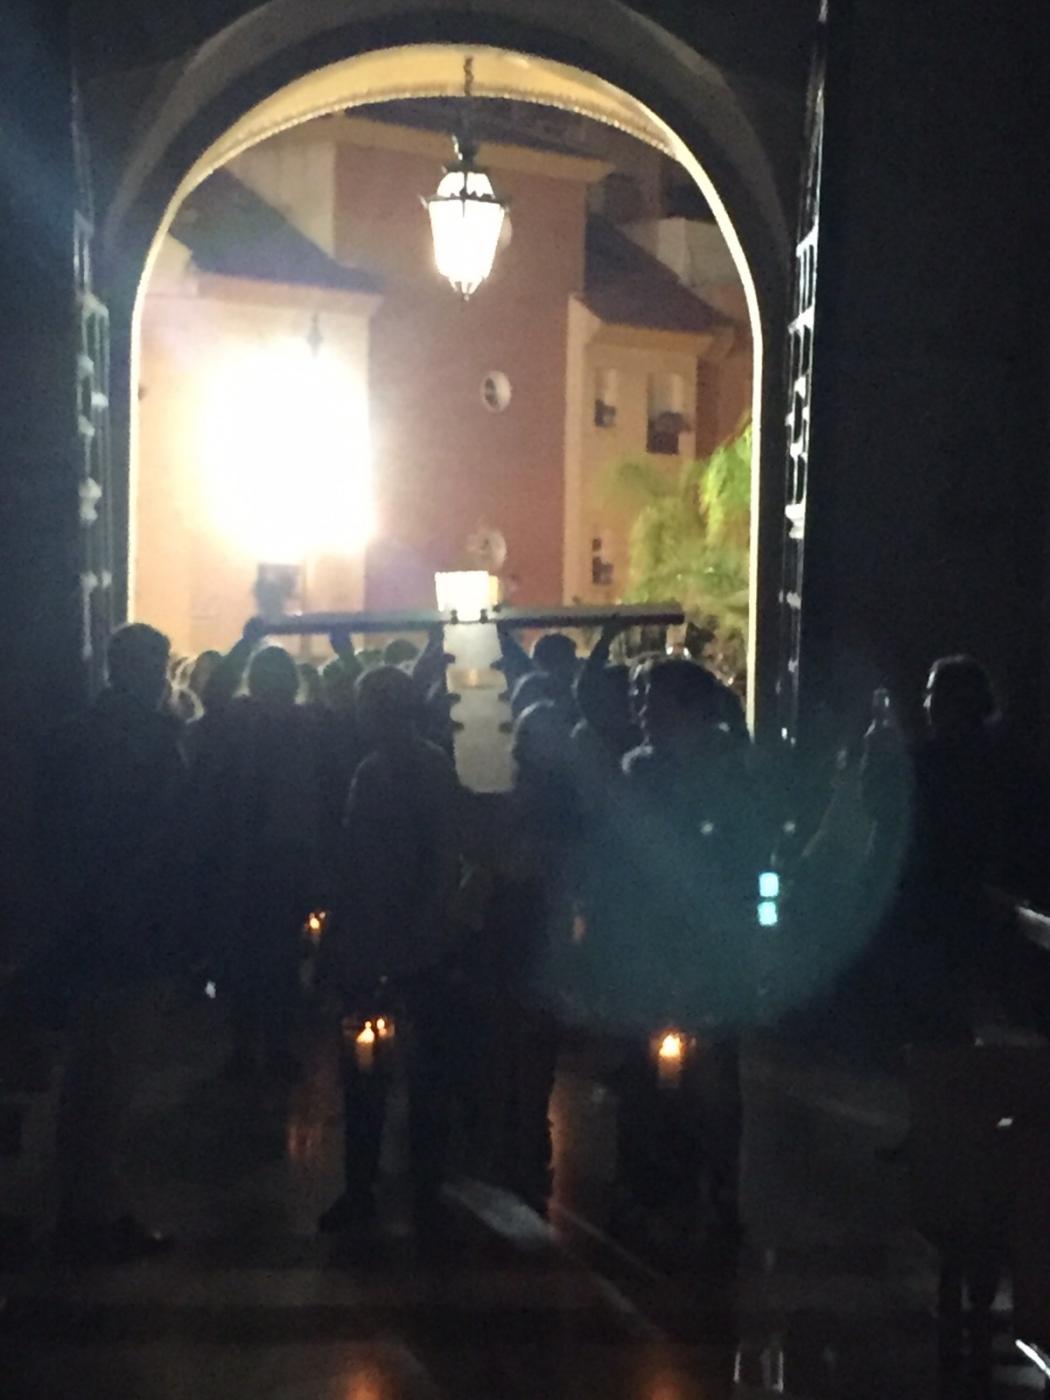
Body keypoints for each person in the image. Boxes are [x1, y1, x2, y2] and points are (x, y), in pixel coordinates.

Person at [39, 623, 186, 1264]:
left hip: (79, 924)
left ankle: (80, 1201)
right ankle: (93, 1211)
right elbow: (169, 840)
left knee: (84, 1078)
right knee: (112, 1079)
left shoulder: (69, 737)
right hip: (135, 927)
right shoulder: (154, 741)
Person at [613, 657, 762, 1239]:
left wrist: (761, 928)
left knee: (717, 1073)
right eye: (640, 701)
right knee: (645, 1072)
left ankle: (718, 1187)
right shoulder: (636, 771)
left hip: (710, 945)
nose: (643, 712)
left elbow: (754, 863)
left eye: (655, 701)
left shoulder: (729, 775)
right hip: (653, 944)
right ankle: (649, 1184)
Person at [320, 665, 464, 1236]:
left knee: (369, 1071)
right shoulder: (425, 766)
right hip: (407, 941)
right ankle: (419, 1188)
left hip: (385, 939)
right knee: (418, 1075)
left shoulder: (382, 771)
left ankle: (367, 1188)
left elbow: (374, 860)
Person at [461, 700, 582, 1207]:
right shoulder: (566, 806)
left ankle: (511, 1140)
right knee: (530, 1043)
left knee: (506, 1042)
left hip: (512, 929)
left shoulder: (508, 801)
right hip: (534, 931)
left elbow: (492, 865)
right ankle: (526, 1137)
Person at [190, 637, 322, 1078]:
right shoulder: (297, 723)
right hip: (271, 850)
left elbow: (213, 695)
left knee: (257, 954)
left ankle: (255, 1048)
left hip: (259, 851)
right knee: (271, 955)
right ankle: (262, 1047)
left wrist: (245, 643)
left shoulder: (264, 721)